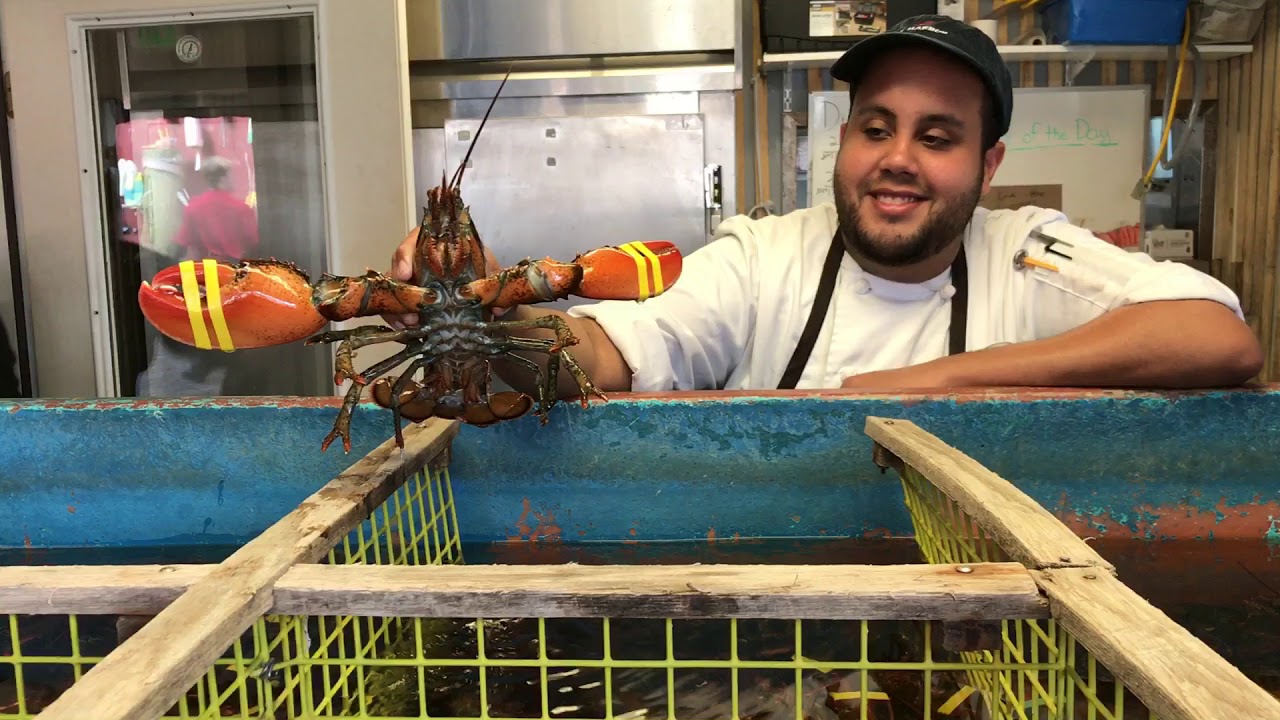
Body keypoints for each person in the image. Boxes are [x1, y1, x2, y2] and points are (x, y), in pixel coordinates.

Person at [386, 14, 1262, 397]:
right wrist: (495, 314)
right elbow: (610, 351)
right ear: (843, 140)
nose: (897, 160)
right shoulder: (762, 255)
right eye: (876, 126)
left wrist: (935, 385)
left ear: (988, 165)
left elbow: (1217, 335)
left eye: (937, 136)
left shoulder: (1026, 251)